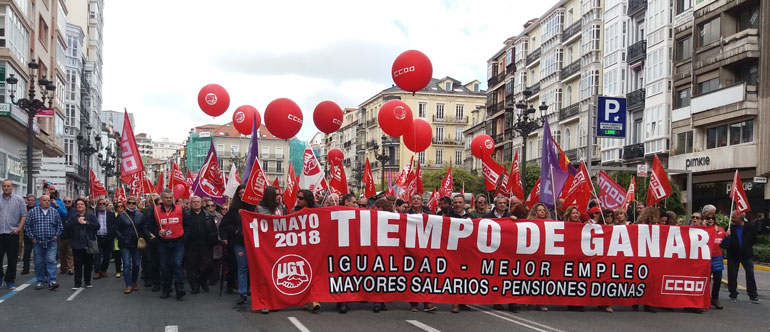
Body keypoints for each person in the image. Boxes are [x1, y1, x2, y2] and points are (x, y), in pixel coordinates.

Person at [147, 189, 190, 300]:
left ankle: (179, 289)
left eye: (171, 197)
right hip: (163, 243)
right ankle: (166, 289)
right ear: (162, 198)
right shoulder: (155, 211)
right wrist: (157, 232)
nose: (169, 199)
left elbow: (187, 225)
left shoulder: (180, 209)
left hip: (178, 242)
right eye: (166, 197)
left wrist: (184, 238)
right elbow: (150, 225)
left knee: (177, 264)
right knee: (165, 267)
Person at [25, 195, 63, 290]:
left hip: (51, 241)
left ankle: (52, 281)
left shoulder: (54, 212)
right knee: (38, 262)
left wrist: (56, 236)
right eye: (44, 200)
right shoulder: (33, 212)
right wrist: (32, 237)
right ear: (40, 202)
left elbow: (60, 226)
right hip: (38, 241)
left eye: (48, 200)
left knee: (51, 260)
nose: (47, 202)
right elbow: (27, 226)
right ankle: (40, 281)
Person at [722, 212, 759, 304]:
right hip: (733, 255)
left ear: (740, 218)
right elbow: (724, 244)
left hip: (746, 255)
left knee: (750, 274)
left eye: (734, 217)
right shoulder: (729, 228)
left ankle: (753, 295)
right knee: (732, 275)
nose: (732, 219)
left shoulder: (750, 227)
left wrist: (747, 247)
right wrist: (727, 236)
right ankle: (733, 295)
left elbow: (754, 239)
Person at [184, 196, 218, 294]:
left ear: (201, 203)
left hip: (205, 244)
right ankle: (195, 286)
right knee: (191, 266)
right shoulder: (186, 215)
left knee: (208, 265)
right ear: (191, 204)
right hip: (191, 245)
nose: (196, 203)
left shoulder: (208, 215)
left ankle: (202, 280)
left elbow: (213, 229)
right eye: (194, 202)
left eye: (197, 202)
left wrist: (214, 240)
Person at [257, 187, 283, 312]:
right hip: (264, 246)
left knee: (276, 275)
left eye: (280, 194)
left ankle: (274, 301)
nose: (279, 196)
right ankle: (264, 303)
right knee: (264, 275)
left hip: (277, 245)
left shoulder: (281, 208)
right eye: (276, 194)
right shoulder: (259, 208)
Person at [65, 198, 100, 290]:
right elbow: (67, 226)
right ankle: (77, 283)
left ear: (85, 206)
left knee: (88, 265)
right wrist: (77, 221)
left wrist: (86, 223)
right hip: (77, 243)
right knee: (78, 265)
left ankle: (87, 281)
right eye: (78, 204)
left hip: (88, 243)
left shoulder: (91, 216)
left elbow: (97, 226)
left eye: (81, 204)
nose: (79, 206)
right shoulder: (73, 216)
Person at [116, 196, 147, 294]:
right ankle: (128, 284)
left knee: (136, 264)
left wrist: (144, 237)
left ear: (136, 204)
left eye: (133, 203)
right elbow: (116, 229)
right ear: (126, 204)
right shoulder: (121, 215)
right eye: (129, 203)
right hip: (125, 244)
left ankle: (134, 282)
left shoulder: (140, 216)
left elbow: (144, 229)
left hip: (136, 244)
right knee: (126, 264)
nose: (131, 205)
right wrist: (121, 238)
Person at [0, 179, 27, 289]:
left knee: (12, 259)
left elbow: (24, 215)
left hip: (13, 234)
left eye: (8, 186)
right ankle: (0, 278)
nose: (6, 188)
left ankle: (10, 280)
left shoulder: (19, 200)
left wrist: (19, 228)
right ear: (2, 187)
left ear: (12, 187)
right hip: (0, 233)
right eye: (4, 186)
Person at [703, 210, 725, 309]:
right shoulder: (702, 230)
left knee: (718, 279)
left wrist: (728, 237)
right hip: (705, 258)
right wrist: (703, 227)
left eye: (712, 218)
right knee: (705, 280)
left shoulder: (720, 230)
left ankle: (715, 298)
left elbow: (725, 244)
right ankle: (705, 298)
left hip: (717, 258)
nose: (710, 220)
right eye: (708, 218)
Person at [93, 198, 113, 280]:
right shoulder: (94, 214)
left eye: (103, 204)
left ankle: (104, 270)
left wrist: (111, 235)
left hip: (107, 237)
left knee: (106, 256)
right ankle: (97, 271)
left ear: (106, 205)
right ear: (97, 205)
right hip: (97, 237)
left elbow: (113, 225)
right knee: (97, 255)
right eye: (100, 204)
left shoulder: (110, 214)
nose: (101, 205)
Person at [58, 196, 75, 275]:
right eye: (65, 201)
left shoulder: (74, 211)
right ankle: (63, 268)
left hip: (71, 235)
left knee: (70, 253)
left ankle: (70, 268)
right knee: (62, 253)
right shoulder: (59, 210)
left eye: (69, 201)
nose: (67, 203)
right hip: (61, 235)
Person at [21, 194, 37, 275]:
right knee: (27, 252)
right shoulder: (24, 209)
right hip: (27, 232)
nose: (30, 202)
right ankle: (25, 268)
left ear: (35, 201)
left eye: (32, 200)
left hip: (37, 234)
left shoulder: (38, 209)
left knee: (37, 253)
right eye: (29, 200)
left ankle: (39, 269)